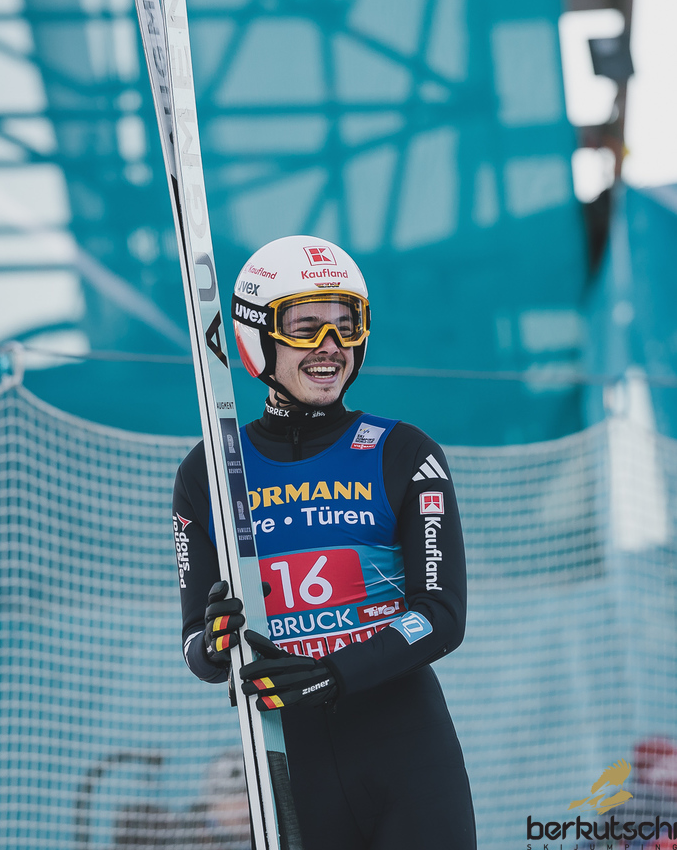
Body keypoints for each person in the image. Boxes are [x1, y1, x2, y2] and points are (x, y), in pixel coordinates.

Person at [172, 235, 476, 850]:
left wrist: (332, 673)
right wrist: (215, 641)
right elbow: (196, 649)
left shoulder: (403, 452)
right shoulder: (208, 472)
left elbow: (440, 616)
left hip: (406, 748)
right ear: (257, 338)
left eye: (346, 325)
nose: (330, 345)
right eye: (305, 327)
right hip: (288, 757)